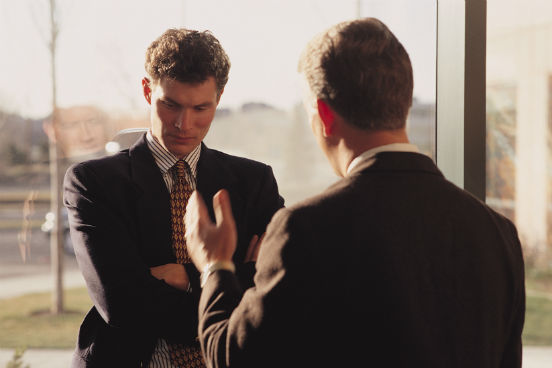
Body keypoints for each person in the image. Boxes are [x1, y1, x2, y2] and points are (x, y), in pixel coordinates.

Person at [184, 18, 526, 367]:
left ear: (324, 115)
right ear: (403, 100)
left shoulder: (305, 231)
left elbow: (234, 358)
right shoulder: (497, 233)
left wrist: (215, 265)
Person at [63, 28, 284, 367]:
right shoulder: (93, 183)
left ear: (220, 97)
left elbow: (276, 295)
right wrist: (231, 286)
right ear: (148, 90)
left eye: (201, 108)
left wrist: (193, 277)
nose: (184, 124)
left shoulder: (254, 182)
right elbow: (123, 306)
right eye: (171, 105)